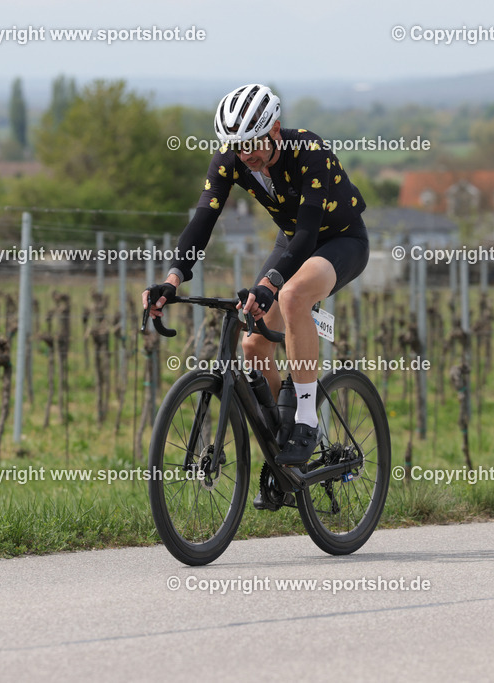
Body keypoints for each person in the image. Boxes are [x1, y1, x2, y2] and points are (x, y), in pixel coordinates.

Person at [144, 83, 369, 466]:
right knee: (253, 346)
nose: (245, 153)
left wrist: (269, 284)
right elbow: (202, 220)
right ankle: (283, 446)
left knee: (292, 295)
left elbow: (308, 233)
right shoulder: (230, 159)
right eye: (236, 145)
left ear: (275, 129)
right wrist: (173, 278)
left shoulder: (308, 151)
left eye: (252, 143)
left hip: (339, 240)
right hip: (290, 241)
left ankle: (306, 419)